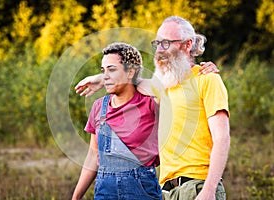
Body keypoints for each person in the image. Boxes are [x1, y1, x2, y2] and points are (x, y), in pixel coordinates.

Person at [75, 16, 230, 200]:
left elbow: (222, 138)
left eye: (166, 43)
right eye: (157, 43)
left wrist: (209, 190)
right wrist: (103, 79)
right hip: (166, 190)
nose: (158, 51)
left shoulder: (207, 79)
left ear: (188, 45)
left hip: (197, 186)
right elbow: (131, 81)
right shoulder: (162, 86)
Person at [72, 42, 162, 200]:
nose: (105, 76)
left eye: (111, 69)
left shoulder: (150, 103)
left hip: (142, 190)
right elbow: (93, 156)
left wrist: (132, 81)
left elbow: (162, 89)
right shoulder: (99, 107)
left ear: (131, 71)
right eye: (103, 71)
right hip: (105, 190)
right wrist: (76, 197)